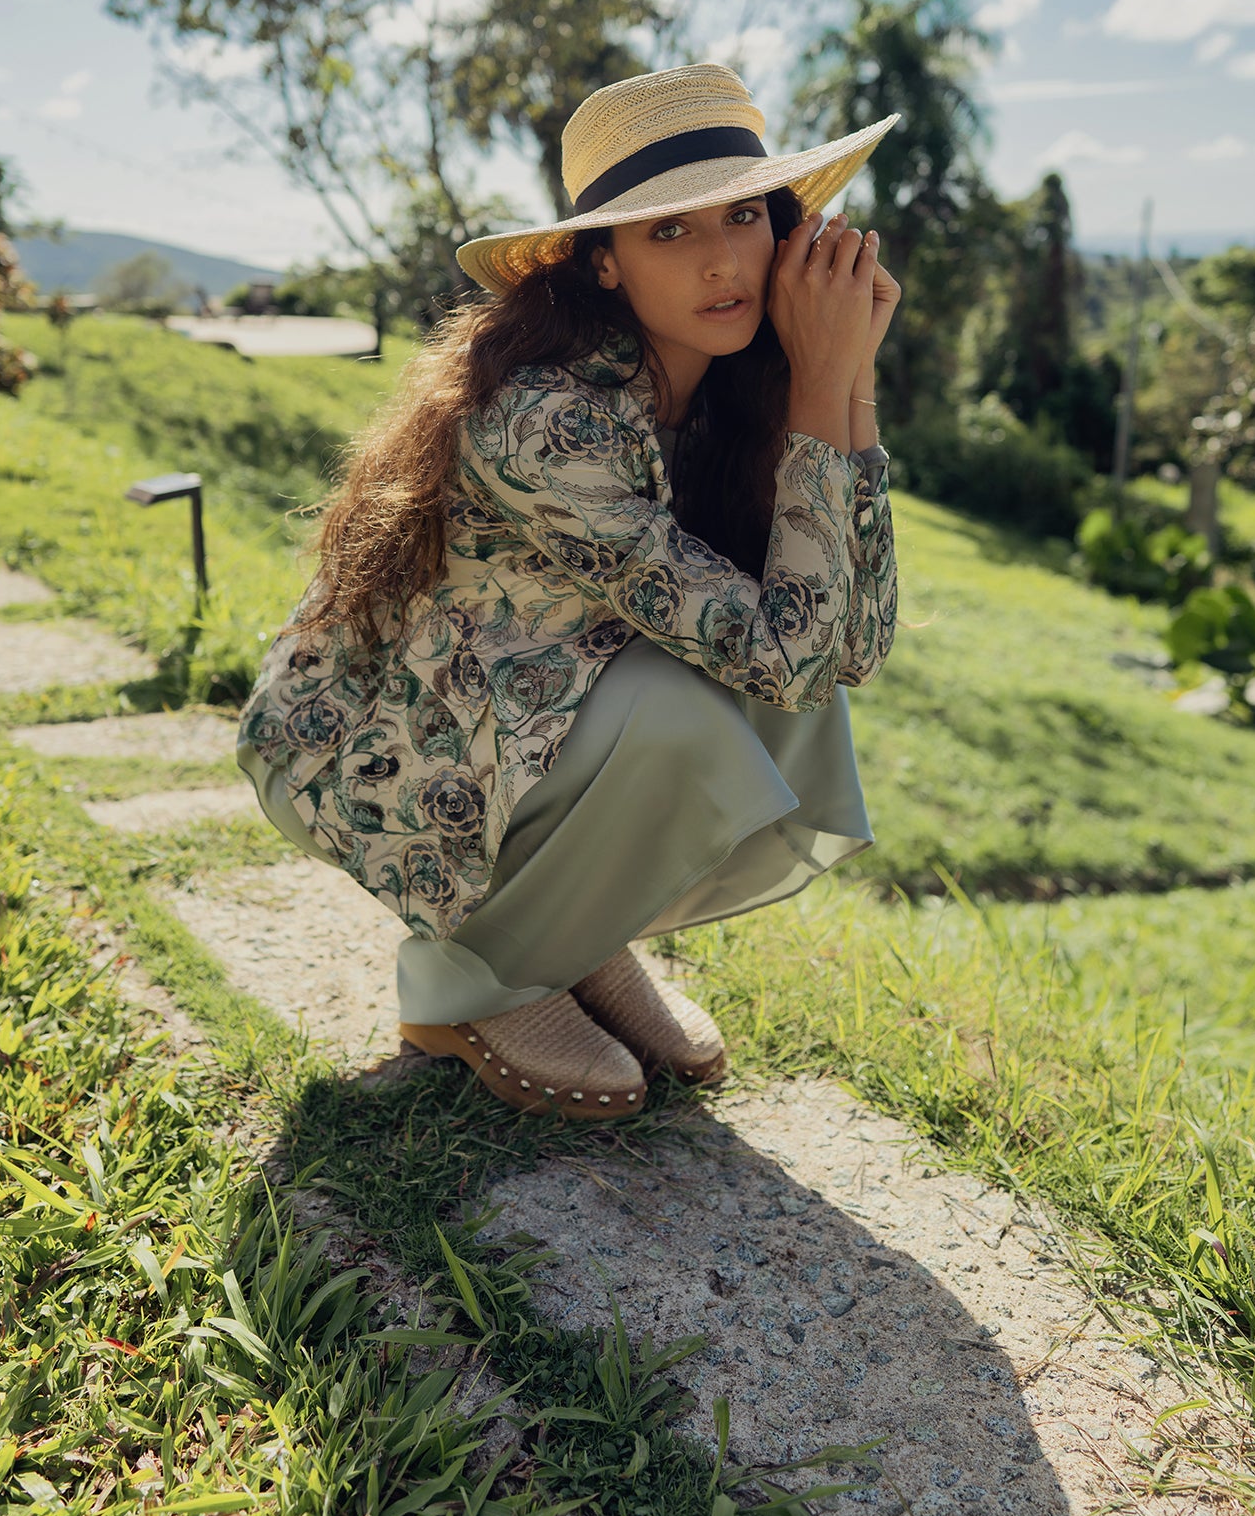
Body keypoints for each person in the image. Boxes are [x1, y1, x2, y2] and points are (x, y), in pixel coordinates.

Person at [238, 62, 901, 1120]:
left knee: (790, 700)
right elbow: (787, 651)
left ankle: (578, 937)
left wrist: (845, 372)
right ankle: (468, 983)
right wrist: (828, 379)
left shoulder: (731, 389)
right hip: (361, 746)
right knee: (683, 716)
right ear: (603, 265)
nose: (724, 258)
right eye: (669, 232)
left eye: (743, 214)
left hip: (514, 718)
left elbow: (840, 649)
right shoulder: (551, 418)